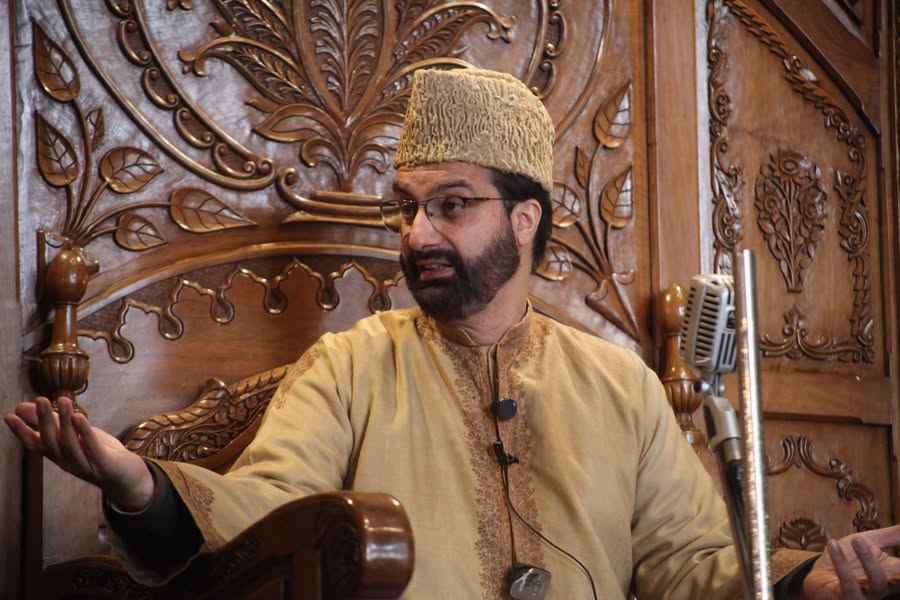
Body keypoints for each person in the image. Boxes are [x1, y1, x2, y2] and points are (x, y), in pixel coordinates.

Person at [6, 67, 900, 599]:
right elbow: (260, 518)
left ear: (525, 220)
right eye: (407, 208)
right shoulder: (352, 368)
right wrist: (135, 484)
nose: (418, 234)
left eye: (452, 206)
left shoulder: (620, 384)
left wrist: (802, 578)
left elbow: (687, 566)